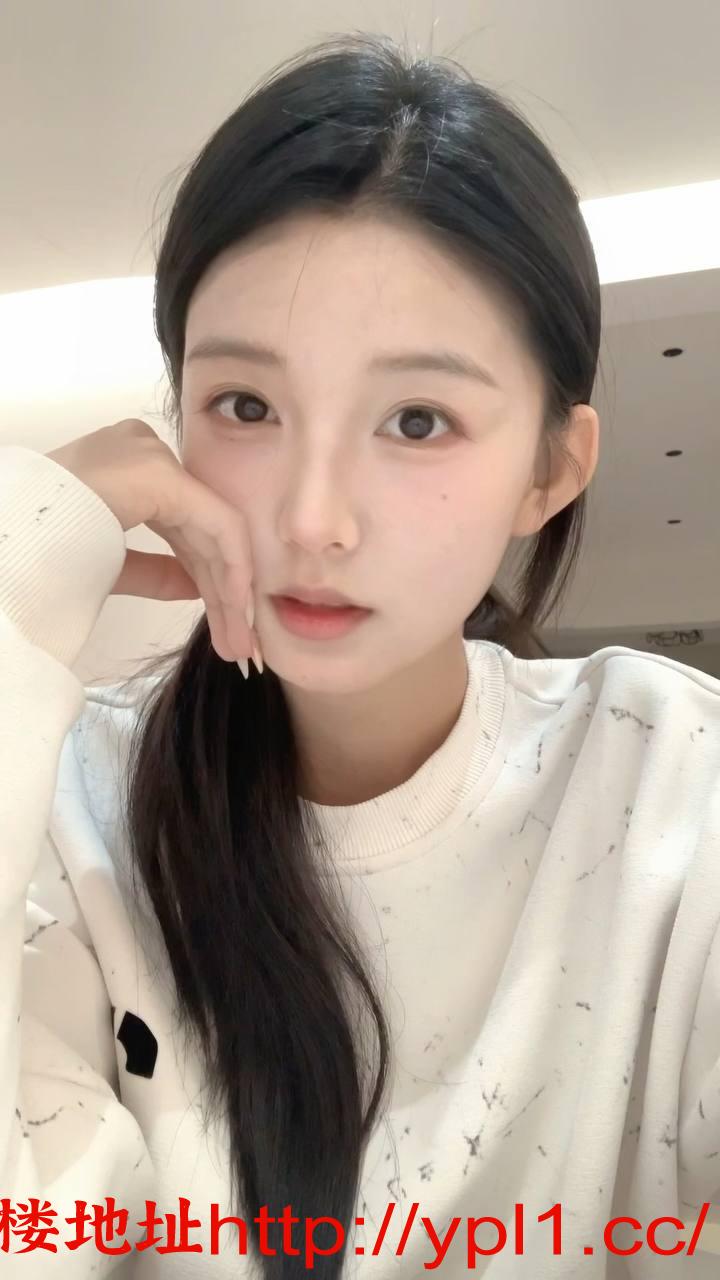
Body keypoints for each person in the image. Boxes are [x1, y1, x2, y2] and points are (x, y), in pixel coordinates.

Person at [1, 30, 719, 1280]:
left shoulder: (672, 790)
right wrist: (18, 561)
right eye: (246, 406)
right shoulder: (71, 809)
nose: (313, 518)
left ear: (549, 468)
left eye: (417, 419)